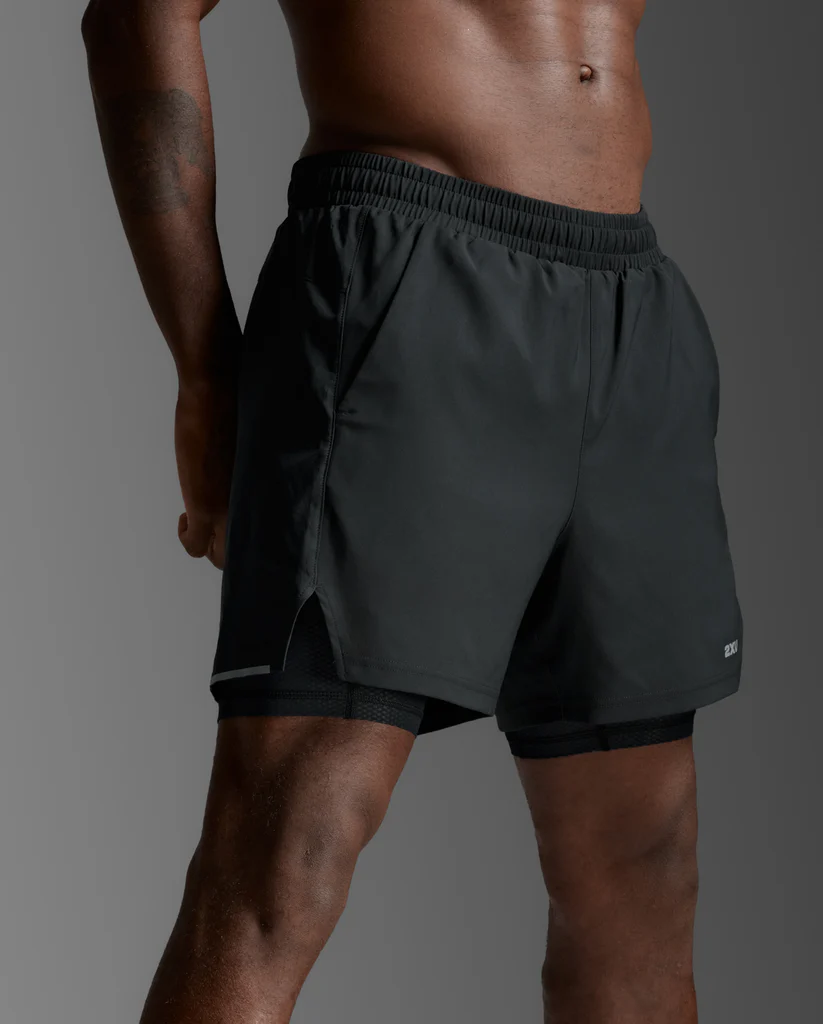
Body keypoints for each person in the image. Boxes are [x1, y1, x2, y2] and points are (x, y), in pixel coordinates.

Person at [81, 0, 743, 1020]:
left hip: (631, 303)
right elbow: (136, 14)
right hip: (406, 264)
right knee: (292, 843)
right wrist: (206, 369)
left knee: (642, 875)